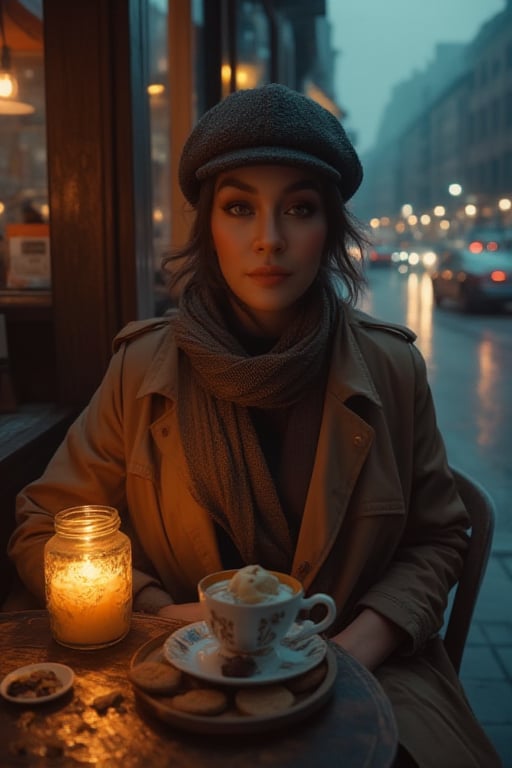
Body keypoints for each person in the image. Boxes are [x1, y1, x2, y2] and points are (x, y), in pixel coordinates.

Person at [7, 84, 500, 767]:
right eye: (240, 208)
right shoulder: (142, 368)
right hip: (180, 676)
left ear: (330, 227)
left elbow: (441, 535)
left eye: (299, 208)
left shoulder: (390, 368)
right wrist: (158, 612)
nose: (269, 239)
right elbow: (44, 523)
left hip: (372, 677)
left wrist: (351, 651)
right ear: (208, 224)